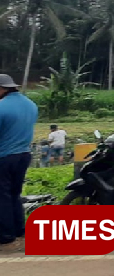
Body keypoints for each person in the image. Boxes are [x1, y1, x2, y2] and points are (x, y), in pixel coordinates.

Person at [0, 74, 38, 246]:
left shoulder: (1, 107)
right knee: (15, 193)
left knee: (2, 196)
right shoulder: (30, 104)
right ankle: (19, 229)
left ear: (2, 89)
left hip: (5, 157)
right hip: (24, 155)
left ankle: (6, 235)